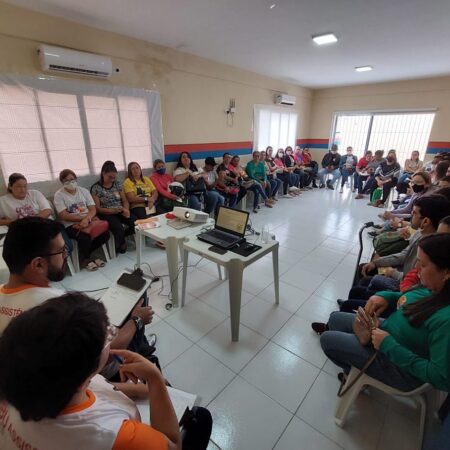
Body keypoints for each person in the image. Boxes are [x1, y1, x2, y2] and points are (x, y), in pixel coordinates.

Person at [0, 292, 182, 450]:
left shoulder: (20, 382)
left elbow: (93, 389)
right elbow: (173, 445)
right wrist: (155, 379)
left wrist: (136, 389)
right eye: (109, 335)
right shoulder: (114, 435)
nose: (111, 335)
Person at [0, 217, 155, 371]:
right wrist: (137, 320)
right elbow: (103, 356)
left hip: (41, 371)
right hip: (101, 370)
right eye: (62, 250)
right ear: (38, 264)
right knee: (139, 296)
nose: (66, 255)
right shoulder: (58, 306)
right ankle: (143, 351)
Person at [320, 233, 450, 392]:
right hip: (387, 334)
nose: (416, 268)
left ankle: (356, 374)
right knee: (335, 319)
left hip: (399, 365)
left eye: (422, 265)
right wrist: (387, 297)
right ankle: (354, 367)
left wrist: (388, 345)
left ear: (446, 273)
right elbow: (406, 296)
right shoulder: (433, 287)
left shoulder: (446, 319)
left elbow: (441, 378)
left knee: (327, 340)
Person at [0, 172, 73, 253]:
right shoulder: (3, 201)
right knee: (39, 251)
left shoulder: (35, 194)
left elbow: (47, 210)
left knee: (65, 247)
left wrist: (28, 221)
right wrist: (13, 222)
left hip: (46, 225)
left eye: (25, 186)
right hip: (25, 232)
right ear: (10, 186)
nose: (23, 189)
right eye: (18, 187)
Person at [54, 169, 110, 271]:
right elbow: (63, 215)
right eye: (66, 181)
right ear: (62, 182)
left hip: (88, 220)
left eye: (72, 179)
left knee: (105, 234)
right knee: (84, 238)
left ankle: (85, 255)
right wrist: (85, 218)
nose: (70, 182)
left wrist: (87, 219)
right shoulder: (59, 195)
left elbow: (93, 209)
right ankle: (86, 259)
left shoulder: (83, 191)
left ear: (76, 179)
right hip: (70, 224)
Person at [91, 161, 135, 254]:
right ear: (103, 174)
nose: (112, 180)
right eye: (110, 177)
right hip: (105, 213)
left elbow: (125, 201)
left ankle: (122, 236)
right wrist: (111, 210)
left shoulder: (117, 184)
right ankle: (121, 244)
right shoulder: (96, 188)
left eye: (114, 177)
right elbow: (97, 208)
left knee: (136, 222)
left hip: (120, 210)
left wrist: (126, 209)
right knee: (118, 228)